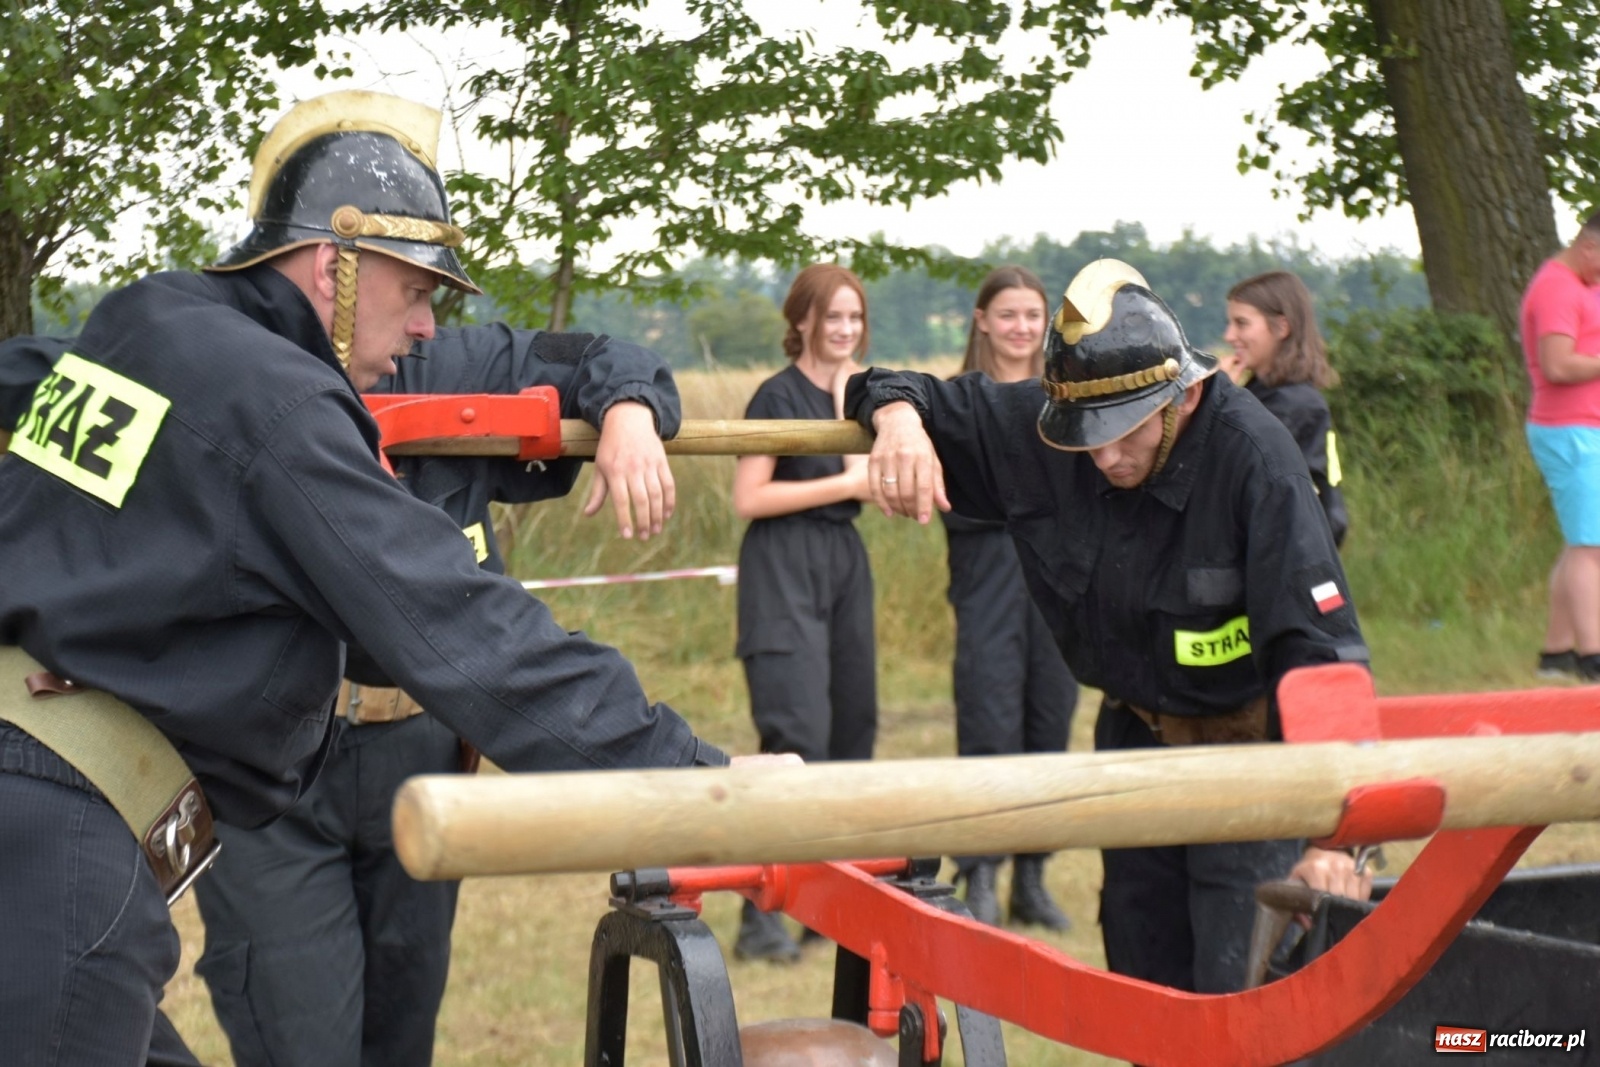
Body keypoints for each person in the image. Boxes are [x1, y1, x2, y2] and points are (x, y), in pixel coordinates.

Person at [0, 89, 777, 1065]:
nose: (423, 326)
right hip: (62, 830)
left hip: (62, 808)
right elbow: (459, 627)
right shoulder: (277, 405)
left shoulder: (145, 322)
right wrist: (693, 783)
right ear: (336, 264)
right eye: (414, 289)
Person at [845, 259, 1372, 994]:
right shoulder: (1050, 426)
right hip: (1133, 744)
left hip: (1248, 758)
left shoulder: (1260, 461)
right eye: (1085, 434)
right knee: (1142, 978)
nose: (1105, 455)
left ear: (1184, 393)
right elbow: (888, 385)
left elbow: (1323, 657)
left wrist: (1333, 837)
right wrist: (898, 421)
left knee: (1239, 989)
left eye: (1125, 433)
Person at [729, 263, 877, 962]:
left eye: (855, 317)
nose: (845, 329)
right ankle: (758, 919)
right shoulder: (775, 396)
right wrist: (850, 479)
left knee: (853, 734)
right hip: (782, 566)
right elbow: (749, 497)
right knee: (795, 740)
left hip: (845, 563)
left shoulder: (865, 395)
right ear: (804, 322)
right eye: (833, 317)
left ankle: (829, 907)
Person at [942, 266, 1079, 930]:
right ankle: (984, 872)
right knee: (990, 713)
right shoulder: (956, 400)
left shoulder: (1068, 396)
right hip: (987, 568)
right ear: (982, 321)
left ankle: (1033, 873)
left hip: (1056, 574)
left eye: (1032, 315)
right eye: (1007, 315)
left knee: (1049, 715)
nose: (1021, 327)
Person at [1521, 210, 1600, 683]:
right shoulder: (1558, 289)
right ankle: (1593, 656)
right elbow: (1558, 365)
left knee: (1581, 544)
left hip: (1585, 428)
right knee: (1592, 548)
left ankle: (1556, 654)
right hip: (1569, 431)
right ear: (1589, 246)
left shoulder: (1585, 286)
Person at [1223, 270, 1349, 547]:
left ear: (1281, 328)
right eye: (1229, 323)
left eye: (1241, 323)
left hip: (1297, 553)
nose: (1229, 335)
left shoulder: (1296, 405)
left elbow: (1232, 466)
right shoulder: (1261, 394)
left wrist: (1220, 397)